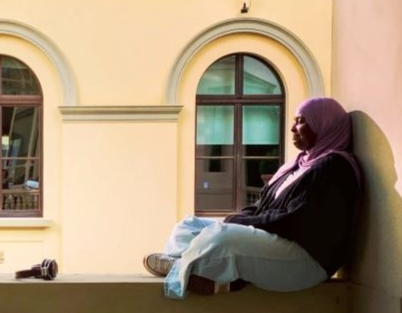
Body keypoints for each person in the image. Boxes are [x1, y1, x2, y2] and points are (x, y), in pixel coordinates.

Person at [143, 97, 361, 299]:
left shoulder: (334, 167)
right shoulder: (299, 164)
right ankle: (192, 269)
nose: (293, 128)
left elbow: (297, 221)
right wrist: (240, 217)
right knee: (189, 225)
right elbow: (262, 205)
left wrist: (240, 223)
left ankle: (184, 272)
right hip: (278, 242)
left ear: (324, 125)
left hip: (306, 260)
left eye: (301, 121)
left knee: (222, 236)